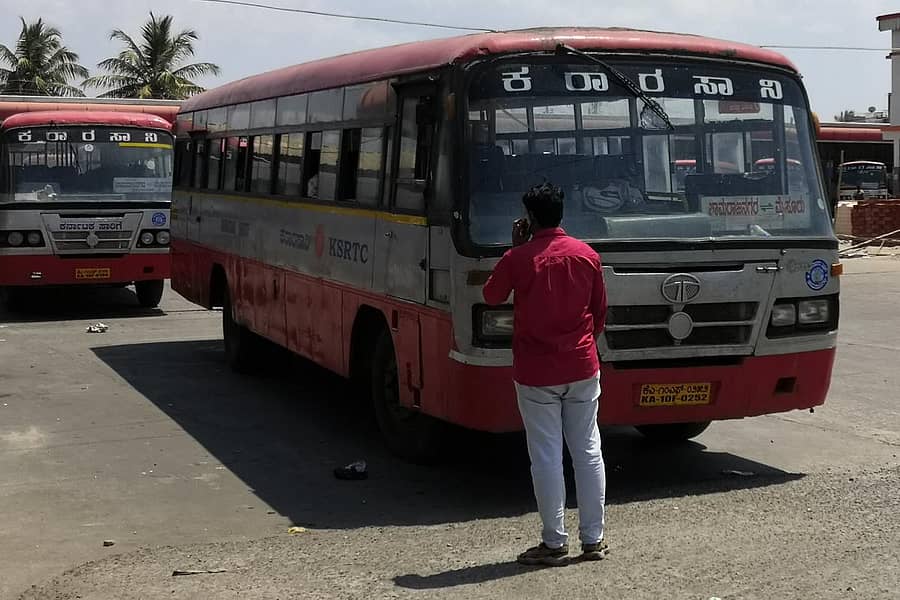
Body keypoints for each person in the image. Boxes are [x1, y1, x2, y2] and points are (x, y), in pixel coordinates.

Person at [482, 182, 609, 567]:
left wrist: (516, 247)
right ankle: (594, 539)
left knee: (547, 456)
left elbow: (491, 295)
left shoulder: (520, 259)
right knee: (588, 451)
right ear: (561, 213)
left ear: (530, 218)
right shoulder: (587, 255)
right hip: (583, 366)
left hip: (537, 373)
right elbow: (599, 313)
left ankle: (554, 543)